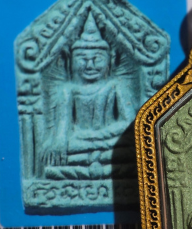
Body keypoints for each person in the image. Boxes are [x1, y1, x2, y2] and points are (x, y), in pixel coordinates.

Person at [40, 12, 134, 179]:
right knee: (54, 152)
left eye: (97, 59)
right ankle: (100, 164)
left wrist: (95, 136)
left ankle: (88, 164)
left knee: (130, 148)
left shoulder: (115, 86)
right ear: (71, 61)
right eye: (82, 59)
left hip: (104, 142)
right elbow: (63, 129)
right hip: (78, 144)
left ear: (110, 60)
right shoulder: (68, 90)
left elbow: (129, 124)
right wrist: (59, 142)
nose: (90, 65)